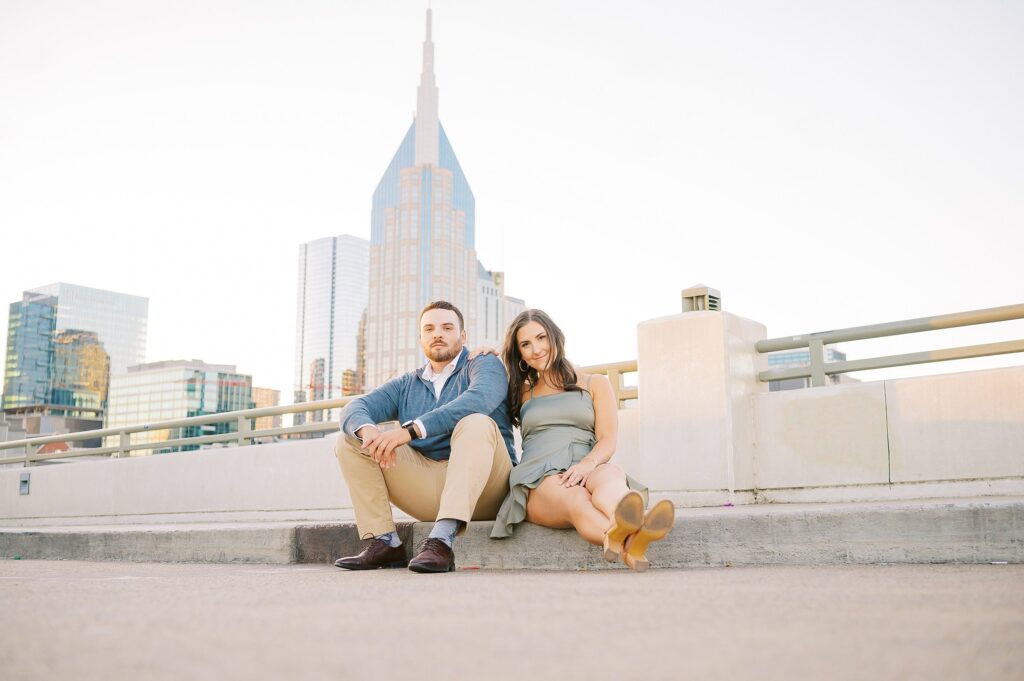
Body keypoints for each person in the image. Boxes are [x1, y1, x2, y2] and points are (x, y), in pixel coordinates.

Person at [333, 301, 514, 574]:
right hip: (429, 485)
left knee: (476, 423)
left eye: (447, 327)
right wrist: (369, 432)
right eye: (429, 329)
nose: (437, 334)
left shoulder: (483, 363)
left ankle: (441, 540)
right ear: (420, 338)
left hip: (487, 487)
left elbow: (479, 400)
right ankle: (385, 542)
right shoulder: (408, 383)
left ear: (462, 336)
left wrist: (411, 430)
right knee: (350, 440)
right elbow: (354, 407)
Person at [488, 309, 674, 571]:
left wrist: (588, 464)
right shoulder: (520, 392)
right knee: (576, 497)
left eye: (541, 338)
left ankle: (626, 525)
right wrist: (484, 353)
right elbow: (481, 389)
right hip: (538, 478)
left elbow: (608, 439)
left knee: (610, 474)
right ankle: (637, 532)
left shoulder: (594, 383)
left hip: (586, 464)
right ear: (519, 353)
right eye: (525, 344)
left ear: (555, 337)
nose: (536, 349)